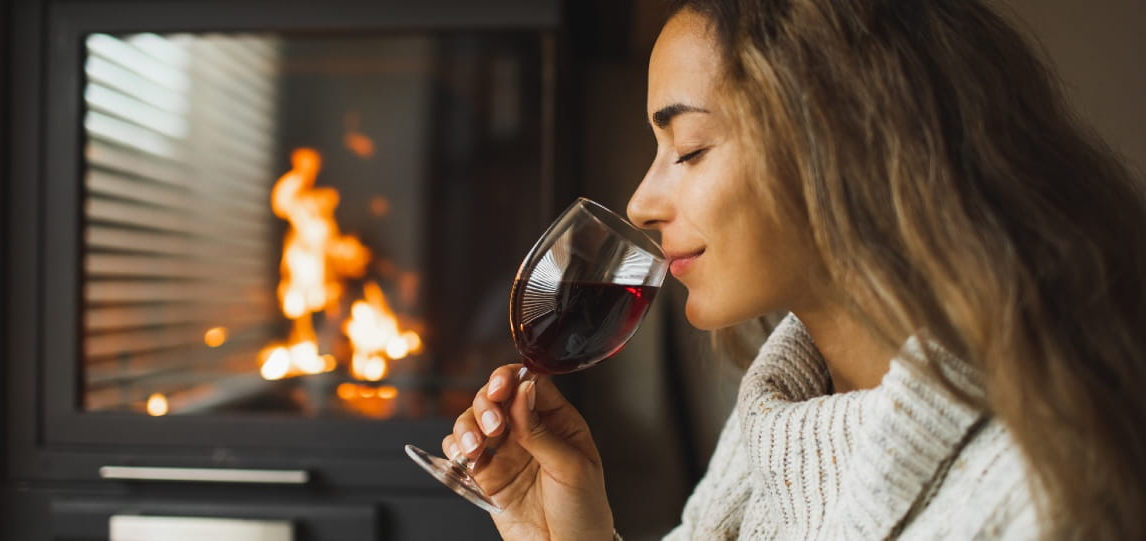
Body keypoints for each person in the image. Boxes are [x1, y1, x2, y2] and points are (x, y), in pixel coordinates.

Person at [441, 0, 1146, 539]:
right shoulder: (774, 430)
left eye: (687, 148)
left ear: (840, 143)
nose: (641, 201)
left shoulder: (1041, 488)